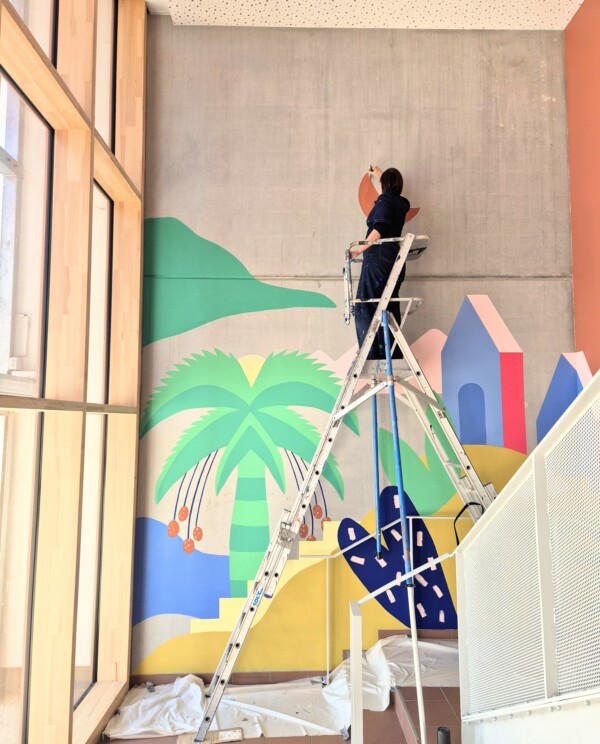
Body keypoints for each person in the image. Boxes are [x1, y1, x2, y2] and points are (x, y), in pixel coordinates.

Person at [352, 166, 410, 359]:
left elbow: (379, 228)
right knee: (389, 307)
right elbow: (391, 197)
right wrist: (381, 175)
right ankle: (393, 355)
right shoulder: (402, 203)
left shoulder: (385, 200)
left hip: (378, 261)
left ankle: (371, 357)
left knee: (365, 307)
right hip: (395, 261)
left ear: (384, 186)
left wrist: (359, 249)